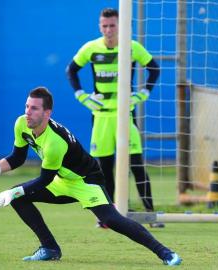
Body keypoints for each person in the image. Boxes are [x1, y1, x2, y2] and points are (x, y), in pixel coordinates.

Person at [0, 86, 181, 265]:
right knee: (19, 198)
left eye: (35, 109)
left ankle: (165, 253)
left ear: (47, 113)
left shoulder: (55, 142)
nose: (28, 112)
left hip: (86, 181)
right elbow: (18, 157)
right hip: (61, 179)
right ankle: (49, 248)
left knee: (110, 219)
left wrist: (11, 192)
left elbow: (44, 180)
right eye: (27, 106)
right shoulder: (22, 123)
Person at [66, 8, 164, 228]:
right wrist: (82, 96)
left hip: (125, 115)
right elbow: (71, 71)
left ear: (120, 26)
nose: (109, 30)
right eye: (105, 26)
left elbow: (154, 69)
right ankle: (107, 218)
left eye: (112, 25)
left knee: (137, 165)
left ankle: (150, 215)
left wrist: (143, 93)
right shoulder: (91, 48)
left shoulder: (132, 47)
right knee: (104, 169)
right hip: (100, 116)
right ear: (100, 27)